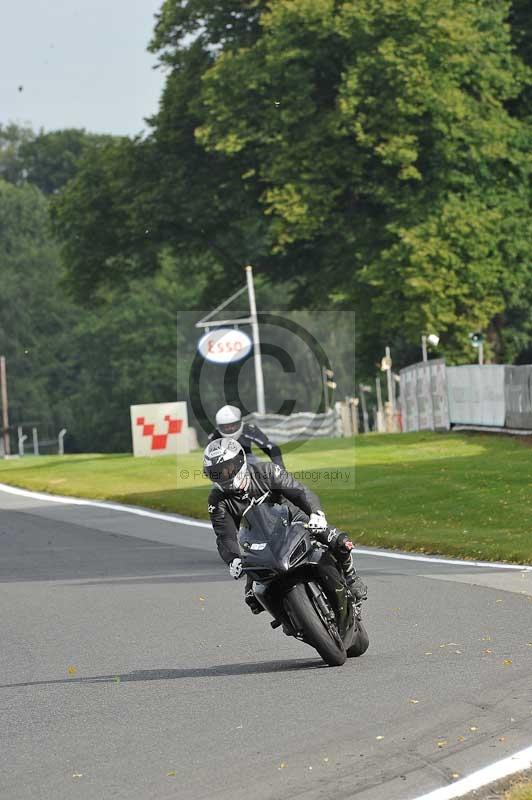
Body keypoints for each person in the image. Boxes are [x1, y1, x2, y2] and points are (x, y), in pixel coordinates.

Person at [203, 437, 367, 614]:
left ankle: (350, 576)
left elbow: (300, 492)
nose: (223, 476)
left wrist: (316, 513)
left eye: (226, 470)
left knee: (341, 542)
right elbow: (224, 535)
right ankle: (290, 618)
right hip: (257, 542)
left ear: (240, 462)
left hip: (293, 520)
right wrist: (233, 558)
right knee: (253, 598)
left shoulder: (267, 471)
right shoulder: (217, 500)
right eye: (216, 473)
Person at [208, 405, 284, 468]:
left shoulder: (249, 429)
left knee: (264, 469)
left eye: (233, 425)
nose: (230, 429)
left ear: (239, 422)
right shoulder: (215, 436)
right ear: (220, 427)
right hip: (225, 463)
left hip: (248, 459)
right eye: (226, 426)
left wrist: (280, 468)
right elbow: (209, 459)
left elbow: (271, 448)